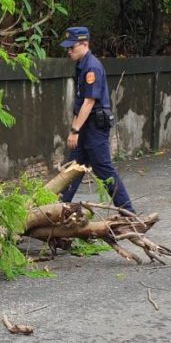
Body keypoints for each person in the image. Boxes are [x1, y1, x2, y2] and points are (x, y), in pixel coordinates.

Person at [56, 26, 134, 212]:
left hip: (94, 128)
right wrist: (75, 129)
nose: (69, 51)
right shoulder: (81, 65)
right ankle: (58, 211)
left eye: (72, 47)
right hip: (84, 126)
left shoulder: (92, 67)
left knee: (104, 170)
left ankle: (129, 213)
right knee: (73, 170)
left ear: (85, 44)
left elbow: (89, 102)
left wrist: (75, 130)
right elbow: (79, 101)